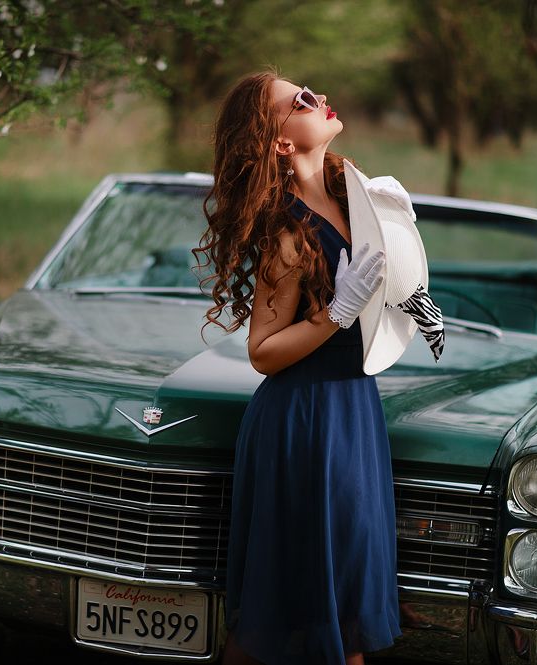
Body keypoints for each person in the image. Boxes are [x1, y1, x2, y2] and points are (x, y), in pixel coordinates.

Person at [194, 70, 403, 665]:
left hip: (355, 413)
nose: (321, 98)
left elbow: (385, 288)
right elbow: (262, 349)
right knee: (293, 605)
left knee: (347, 598)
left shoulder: (351, 196)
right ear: (281, 142)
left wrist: (408, 293)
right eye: (301, 101)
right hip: (306, 423)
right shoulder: (286, 229)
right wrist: (336, 313)